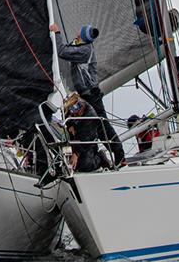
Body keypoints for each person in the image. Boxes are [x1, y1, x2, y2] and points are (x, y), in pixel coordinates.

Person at [50, 22, 125, 165]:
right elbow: (68, 48)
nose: (77, 35)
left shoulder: (85, 50)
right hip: (85, 94)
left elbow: (62, 52)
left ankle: (120, 156)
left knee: (102, 127)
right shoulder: (81, 46)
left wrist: (57, 33)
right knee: (91, 127)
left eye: (79, 34)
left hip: (90, 94)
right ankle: (94, 159)